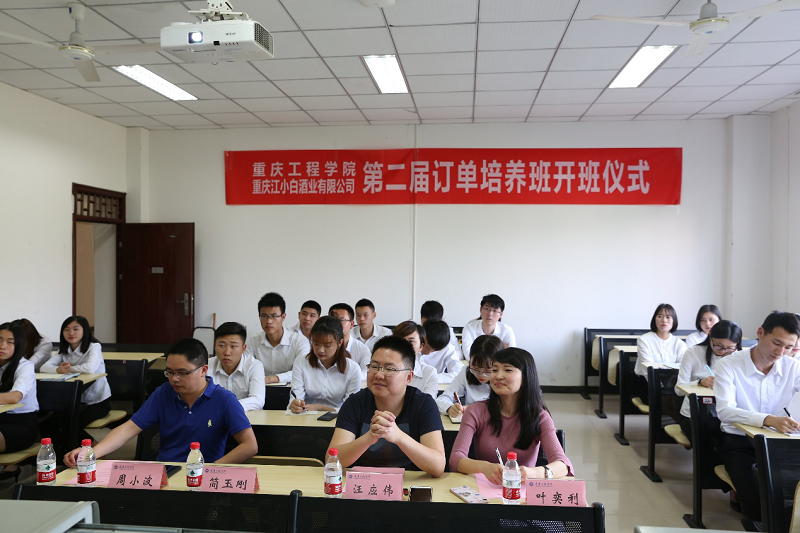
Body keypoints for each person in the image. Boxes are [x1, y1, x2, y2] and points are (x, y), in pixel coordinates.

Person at [64, 338, 258, 466]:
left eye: (182, 373)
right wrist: (91, 453)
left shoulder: (224, 400)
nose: (174, 379)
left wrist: (213, 468)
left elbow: (250, 445)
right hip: (164, 474)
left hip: (203, 478)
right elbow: (128, 429)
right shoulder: (163, 393)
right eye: (170, 372)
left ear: (203, 370)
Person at [714, 311, 800, 530]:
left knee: (790, 494)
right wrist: (769, 420)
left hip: (782, 443)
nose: (780, 352)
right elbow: (725, 411)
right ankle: (759, 521)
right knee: (759, 500)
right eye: (776, 343)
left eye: (789, 347)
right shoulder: (728, 365)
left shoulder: (793, 367)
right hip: (740, 442)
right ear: (760, 333)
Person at [450, 347, 572, 482]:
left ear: (525, 377)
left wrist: (534, 472)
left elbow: (563, 465)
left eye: (507, 370)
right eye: (494, 370)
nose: (498, 376)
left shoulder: (540, 417)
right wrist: (484, 467)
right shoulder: (475, 411)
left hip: (523, 491)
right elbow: (455, 458)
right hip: (484, 489)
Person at [328, 336, 445, 476]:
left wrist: (399, 437)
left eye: (389, 369)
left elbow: (438, 466)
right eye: (374, 366)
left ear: (408, 377)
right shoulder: (355, 403)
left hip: (408, 484)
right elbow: (332, 461)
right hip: (363, 483)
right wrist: (369, 437)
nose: (378, 375)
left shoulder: (423, 404)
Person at [675, 320, 742, 445]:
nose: (723, 351)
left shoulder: (738, 357)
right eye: (719, 346)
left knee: (735, 442)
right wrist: (699, 382)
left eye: (730, 348)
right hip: (694, 415)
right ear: (710, 336)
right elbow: (679, 389)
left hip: (726, 415)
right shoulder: (693, 353)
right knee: (710, 440)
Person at [41, 316, 112, 433]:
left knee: (69, 425)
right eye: (66, 329)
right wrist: (58, 369)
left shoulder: (94, 346)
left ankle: (93, 444)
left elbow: (89, 368)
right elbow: (44, 367)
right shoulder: (64, 350)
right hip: (73, 402)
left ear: (85, 330)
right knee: (47, 426)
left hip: (96, 403)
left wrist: (68, 369)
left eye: (76, 329)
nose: (71, 333)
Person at [289, 316, 361, 413]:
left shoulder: (353, 369)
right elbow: (296, 396)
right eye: (316, 344)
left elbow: (350, 409)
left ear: (340, 343)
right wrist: (295, 405)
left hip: (339, 419)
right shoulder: (301, 362)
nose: (320, 350)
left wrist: (319, 408)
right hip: (306, 415)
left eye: (327, 345)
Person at [0, 322, 39, 481]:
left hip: (21, 424)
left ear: (19, 346)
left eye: (10, 342)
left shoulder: (25, 366)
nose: (3, 346)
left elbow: (15, 396)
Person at [244, 292, 309, 384]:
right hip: (260, 388)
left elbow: (303, 370)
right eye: (264, 316)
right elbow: (246, 367)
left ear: (283, 317)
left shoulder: (299, 341)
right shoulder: (254, 340)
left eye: (274, 316)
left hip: (291, 390)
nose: (269, 321)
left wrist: (271, 379)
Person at [437, 335, 502, 417]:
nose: (481, 375)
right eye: (476, 369)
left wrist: (473, 409)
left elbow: (505, 407)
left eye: (487, 370)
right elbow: (442, 399)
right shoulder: (466, 372)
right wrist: (449, 408)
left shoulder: (505, 378)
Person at [633, 304, 687, 404]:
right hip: (648, 383)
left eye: (668, 317)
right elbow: (647, 371)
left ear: (674, 321)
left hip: (672, 383)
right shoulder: (644, 340)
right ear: (654, 319)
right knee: (665, 402)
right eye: (660, 316)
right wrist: (663, 390)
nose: (664, 320)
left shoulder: (680, 344)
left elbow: (682, 369)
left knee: (682, 401)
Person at [207, 322, 265, 411]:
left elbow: (258, 400)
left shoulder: (254, 366)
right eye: (222, 346)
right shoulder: (206, 366)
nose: (227, 352)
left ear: (243, 348)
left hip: (245, 418)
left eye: (233, 346)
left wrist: (228, 406)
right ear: (215, 346)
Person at [460, 294, 516, 361]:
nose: (490, 314)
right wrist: (501, 350)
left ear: (501, 314)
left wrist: (480, 354)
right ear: (481, 309)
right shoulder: (469, 328)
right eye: (487, 309)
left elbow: (511, 356)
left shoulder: (507, 330)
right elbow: (469, 356)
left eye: (495, 311)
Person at [392, 320, 437, 399]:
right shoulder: (382, 369)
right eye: (400, 340)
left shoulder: (429, 373)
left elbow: (428, 403)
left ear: (421, 347)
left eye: (411, 341)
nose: (405, 345)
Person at [329, 303, 371, 378]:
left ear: (351, 324)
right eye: (332, 319)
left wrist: (346, 378)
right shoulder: (320, 347)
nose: (335, 324)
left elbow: (366, 373)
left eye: (341, 320)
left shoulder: (362, 349)